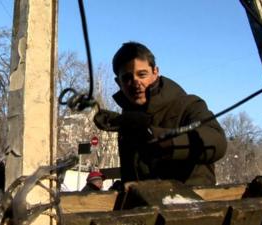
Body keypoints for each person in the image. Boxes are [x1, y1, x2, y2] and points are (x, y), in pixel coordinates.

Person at [94, 41, 227, 186]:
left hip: (193, 202)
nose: (136, 83)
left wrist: (163, 140)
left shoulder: (189, 105)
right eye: (127, 78)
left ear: (155, 72)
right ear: (118, 82)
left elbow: (217, 141)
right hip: (147, 206)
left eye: (142, 74)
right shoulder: (128, 120)